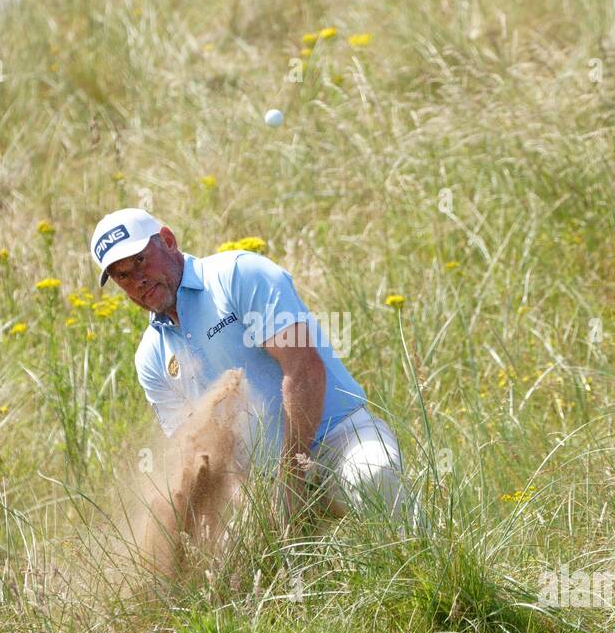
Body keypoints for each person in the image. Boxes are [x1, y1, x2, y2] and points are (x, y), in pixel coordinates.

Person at [91, 207, 404, 524]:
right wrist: (245, 504)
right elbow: (196, 449)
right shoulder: (151, 357)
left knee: (373, 476)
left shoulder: (238, 275)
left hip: (338, 439)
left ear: (168, 240)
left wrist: (292, 475)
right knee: (230, 555)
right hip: (260, 482)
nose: (138, 279)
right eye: (123, 275)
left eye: (141, 261)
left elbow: (303, 369)